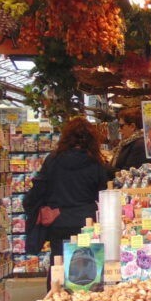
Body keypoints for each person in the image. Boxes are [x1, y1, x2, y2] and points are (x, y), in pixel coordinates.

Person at [25, 116, 112, 284]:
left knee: (58, 266)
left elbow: (37, 191)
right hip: (86, 223)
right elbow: (102, 194)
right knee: (87, 266)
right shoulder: (95, 162)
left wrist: (39, 209)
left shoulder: (53, 160)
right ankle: (83, 300)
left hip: (58, 223)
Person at [111, 106, 150, 173]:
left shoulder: (139, 145)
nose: (119, 130)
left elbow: (128, 173)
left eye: (121, 126)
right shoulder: (126, 143)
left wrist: (105, 168)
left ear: (132, 126)